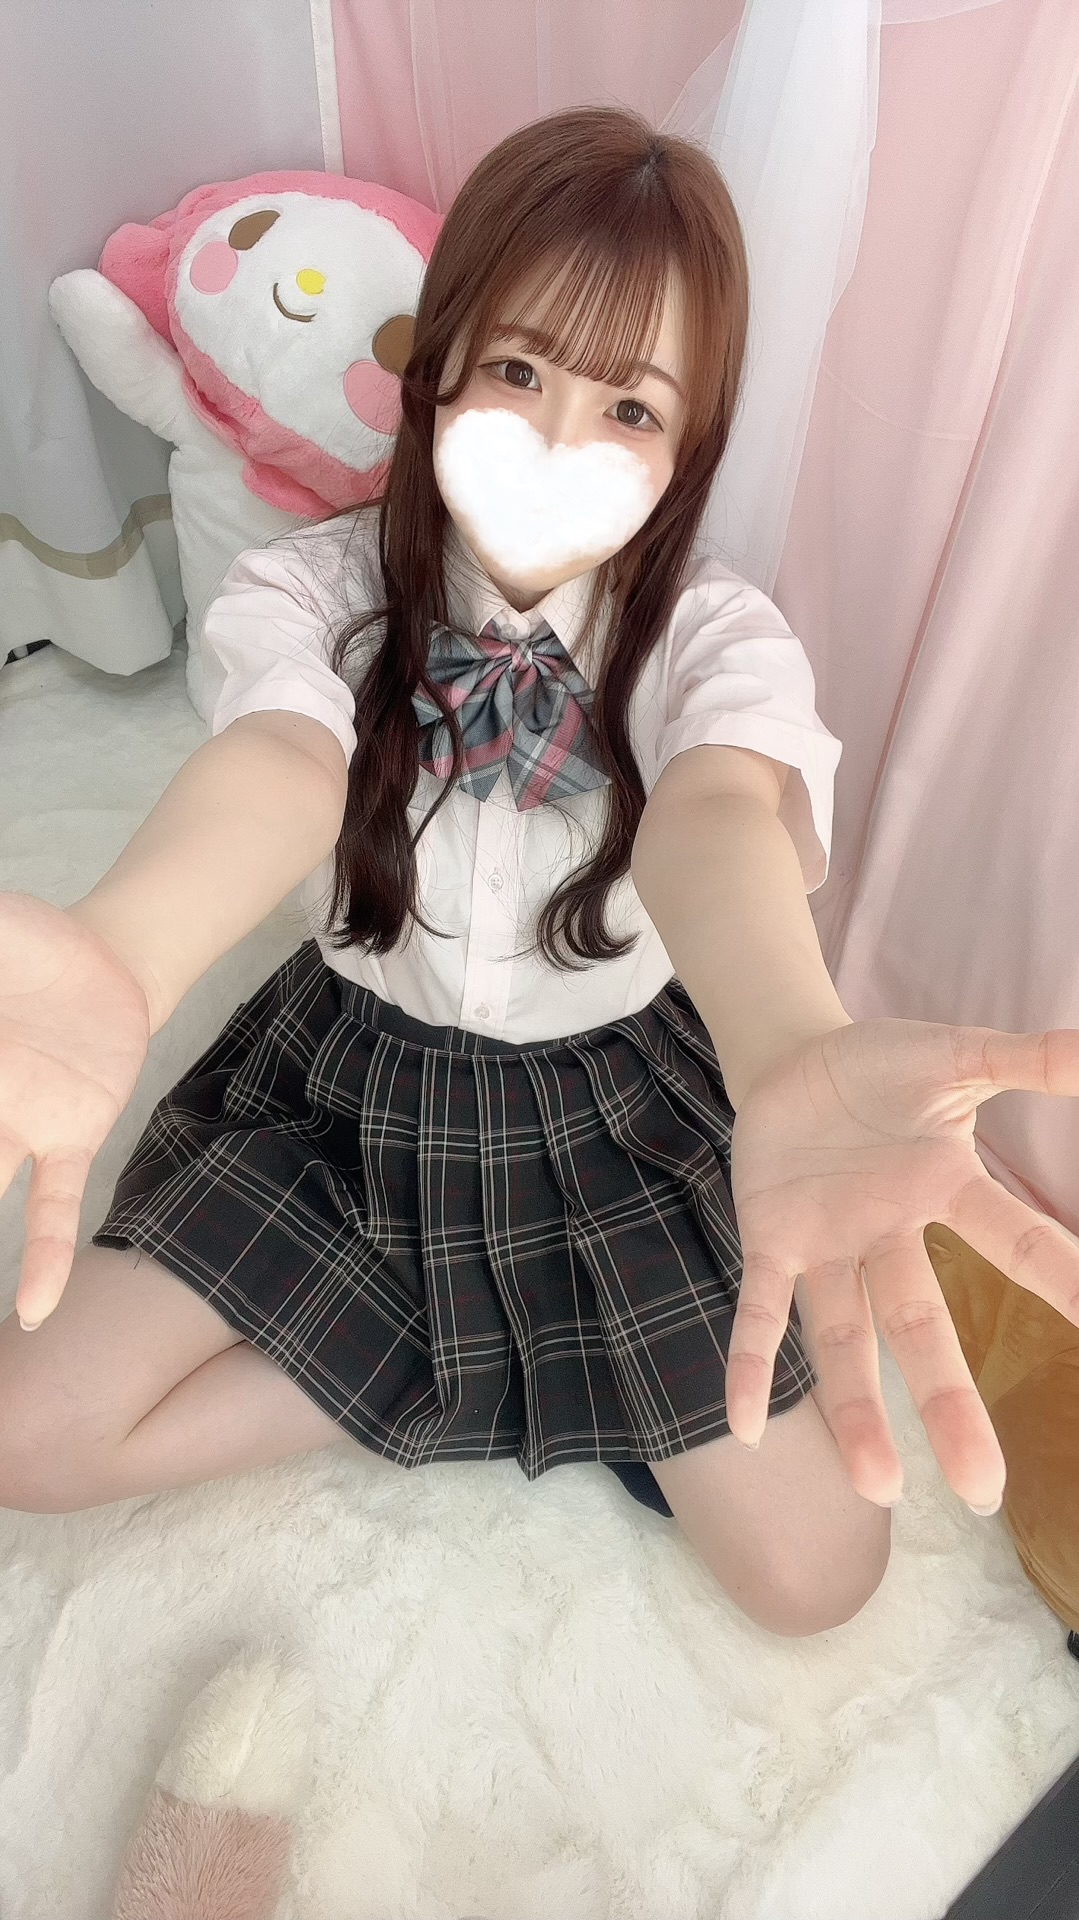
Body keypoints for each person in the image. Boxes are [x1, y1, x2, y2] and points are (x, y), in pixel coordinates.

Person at [3, 106, 1079, 1644]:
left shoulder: (713, 636)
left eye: (630, 404)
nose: (562, 439)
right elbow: (283, 770)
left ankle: (421, 1353)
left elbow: (717, 818)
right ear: (439, 363)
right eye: (518, 370)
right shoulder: (304, 590)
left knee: (819, 1576)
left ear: (688, 444)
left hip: (618, 1105)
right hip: (353, 1087)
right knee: (28, 1437)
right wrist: (124, 947)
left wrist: (787, 1039)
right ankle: (472, 1369)